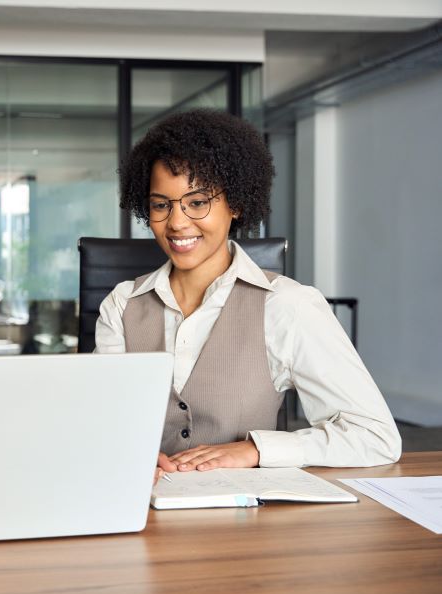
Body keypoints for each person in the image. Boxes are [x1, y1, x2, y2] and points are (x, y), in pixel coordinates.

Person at [95, 109, 400, 480]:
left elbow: (375, 436)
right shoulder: (122, 304)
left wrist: (257, 449)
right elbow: (98, 421)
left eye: (197, 202)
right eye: (161, 205)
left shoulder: (285, 305)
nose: (176, 222)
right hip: (139, 503)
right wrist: (127, 452)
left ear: (235, 204)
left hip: (244, 508)